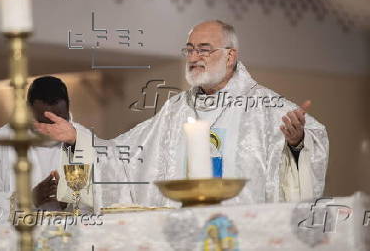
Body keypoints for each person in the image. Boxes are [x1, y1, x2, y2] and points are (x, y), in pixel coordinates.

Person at [35, 20, 329, 210]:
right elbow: (127, 159)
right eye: (189, 50)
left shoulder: (266, 107)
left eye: (203, 49)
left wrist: (297, 143)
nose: (193, 57)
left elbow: (311, 143)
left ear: (230, 56)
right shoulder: (176, 110)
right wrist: (80, 139)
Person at [0, 76, 84, 222]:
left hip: (71, 239)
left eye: (58, 121)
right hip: (17, 242)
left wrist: (71, 199)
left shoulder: (84, 140)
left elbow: (110, 199)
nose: (50, 129)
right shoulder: (2, 141)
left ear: (68, 107)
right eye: (42, 122)